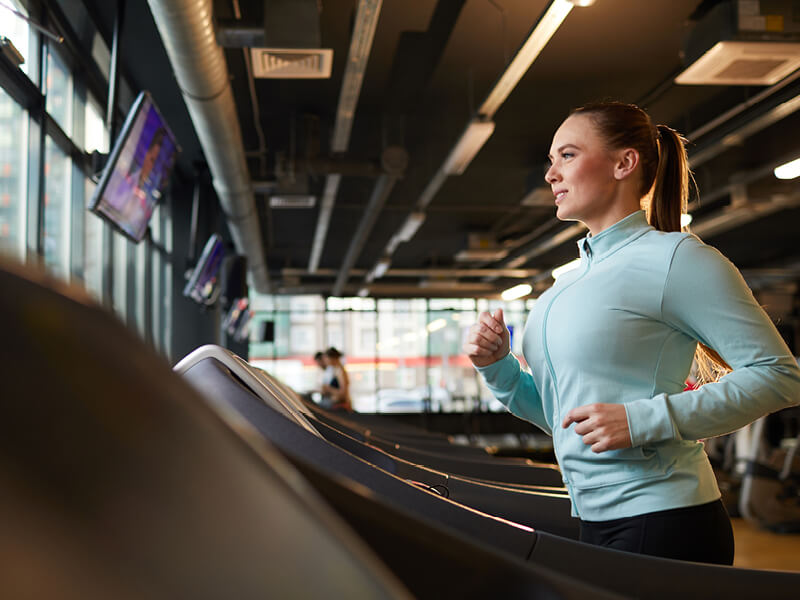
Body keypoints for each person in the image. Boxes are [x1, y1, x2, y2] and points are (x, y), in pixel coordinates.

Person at [464, 101, 800, 565]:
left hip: (667, 518)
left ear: (624, 163)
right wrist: (498, 368)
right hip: (593, 518)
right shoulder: (565, 286)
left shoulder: (677, 258)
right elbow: (566, 422)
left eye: (567, 155)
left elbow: (779, 374)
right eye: (550, 160)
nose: (550, 175)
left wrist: (643, 421)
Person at [321, 347, 352, 412]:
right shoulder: (335, 370)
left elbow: (343, 394)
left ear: (332, 358)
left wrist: (328, 388)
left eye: (326, 358)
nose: (325, 360)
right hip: (336, 404)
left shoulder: (341, 371)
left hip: (341, 407)